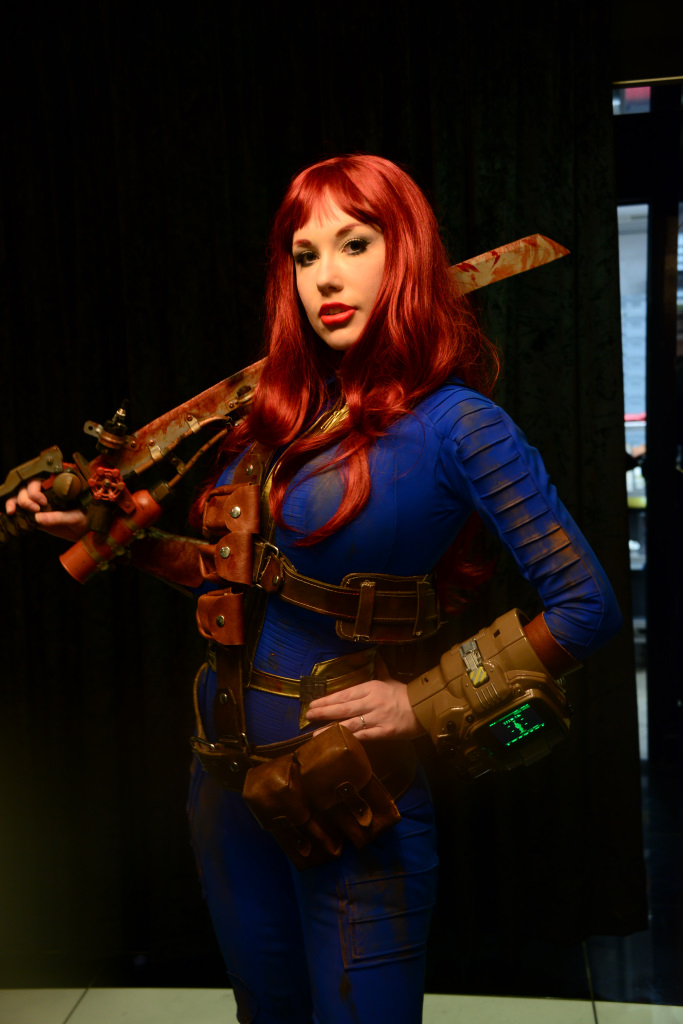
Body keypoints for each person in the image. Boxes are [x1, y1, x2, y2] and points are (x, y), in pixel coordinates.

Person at [5, 154, 622, 1024]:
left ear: (404, 254)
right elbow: (236, 578)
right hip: (225, 794)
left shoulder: (458, 424)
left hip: (351, 800)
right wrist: (113, 541)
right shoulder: (276, 421)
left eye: (354, 243)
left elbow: (586, 607)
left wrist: (423, 700)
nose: (326, 276)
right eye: (305, 255)